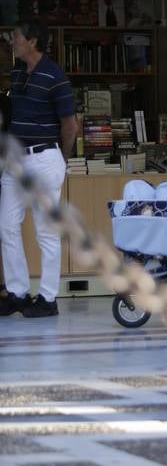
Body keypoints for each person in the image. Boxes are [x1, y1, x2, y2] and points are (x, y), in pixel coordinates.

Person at [0, 19, 78, 317]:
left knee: (45, 231)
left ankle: (47, 298)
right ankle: (18, 292)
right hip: (16, 161)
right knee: (6, 225)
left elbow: (70, 126)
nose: (12, 41)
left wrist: (62, 158)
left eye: (16, 36)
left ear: (32, 41)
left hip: (44, 158)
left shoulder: (55, 75)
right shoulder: (18, 71)